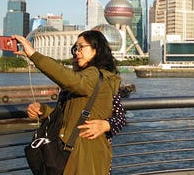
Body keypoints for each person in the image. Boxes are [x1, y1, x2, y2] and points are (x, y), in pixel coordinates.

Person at [14, 30, 121, 174]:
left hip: (85, 154)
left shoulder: (94, 76)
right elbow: (68, 115)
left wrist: (33, 54)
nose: (77, 52)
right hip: (74, 151)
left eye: (81, 47)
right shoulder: (86, 78)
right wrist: (43, 110)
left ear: (96, 49)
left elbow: (67, 78)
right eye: (75, 48)